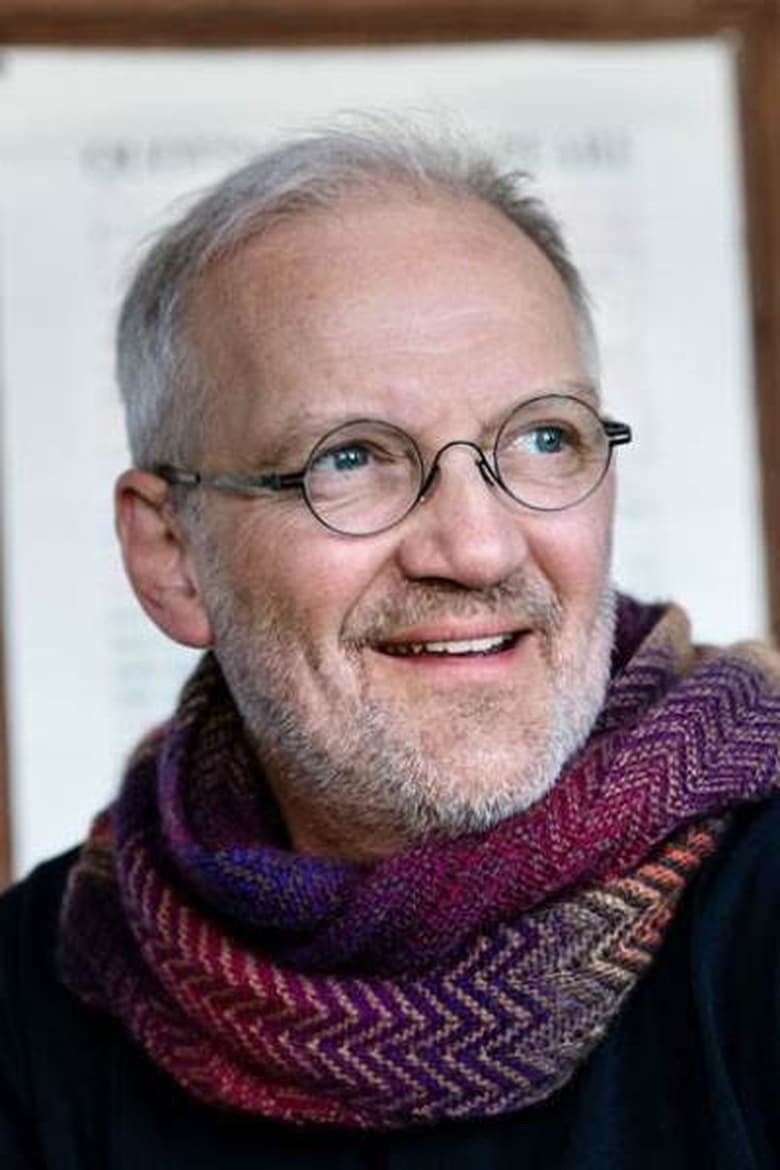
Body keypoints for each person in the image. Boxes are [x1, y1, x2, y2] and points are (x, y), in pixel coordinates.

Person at [1, 119, 779, 1169]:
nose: (478, 547)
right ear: (172, 554)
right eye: (352, 457)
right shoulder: (38, 988)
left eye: (543, 438)